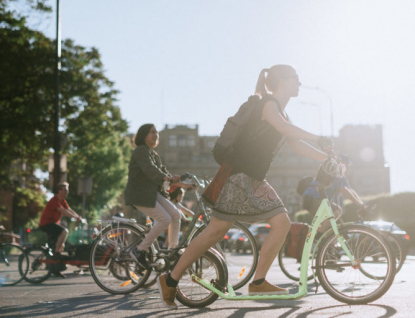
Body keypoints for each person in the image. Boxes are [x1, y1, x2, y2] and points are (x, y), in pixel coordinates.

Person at [157, 64, 332, 309]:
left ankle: (255, 281)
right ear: (282, 81)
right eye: (296, 79)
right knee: (216, 231)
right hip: (239, 177)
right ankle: (172, 278)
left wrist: (328, 158)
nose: (299, 83)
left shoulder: (280, 111)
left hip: (253, 179)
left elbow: (297, 144)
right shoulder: (268, 104)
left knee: (270, 224)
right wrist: (319, 137)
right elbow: (283, 129)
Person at [124, 124, 192, 269]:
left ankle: (172, 252)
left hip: (151, 193)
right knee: (165, 219)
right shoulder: (141, 151)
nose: (156, 135)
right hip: (140, 194)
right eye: (152, 132)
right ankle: (140, 250)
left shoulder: (153, 153)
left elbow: (165, 173)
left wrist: (184, 185)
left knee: (175, 214)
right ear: (143, 136)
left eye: (157, 133)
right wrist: (168, 179)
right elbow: (150, 170)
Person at [302, 154, 365, 233]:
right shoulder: (336, 171)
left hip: (312, 199)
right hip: (312, 198)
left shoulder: (341, 175)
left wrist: (362, 203)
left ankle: (323, 239)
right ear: (342, 163)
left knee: (331, 222)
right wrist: (359, 204)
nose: (348, 167)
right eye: (347, 164)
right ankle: (318, 236)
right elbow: (344, 190)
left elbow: (350, 190)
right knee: (337, 211)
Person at [39, 182, 82, 277]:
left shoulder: (63, 201)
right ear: (59, 191)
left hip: (53, 224)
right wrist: (75, 218)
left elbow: (69, 209)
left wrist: (78, 217)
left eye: (68, 190)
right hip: (46, 224)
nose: (67, 192)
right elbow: (63, 211)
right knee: (64, 231)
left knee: (59, 244)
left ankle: (55, 269)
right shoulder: (54, 200)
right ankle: (56, 253)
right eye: (65, 190)